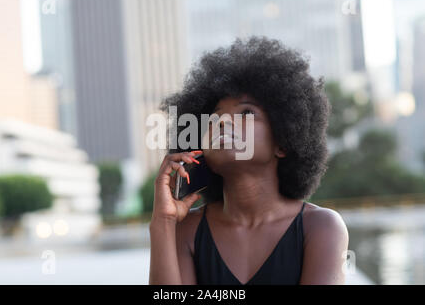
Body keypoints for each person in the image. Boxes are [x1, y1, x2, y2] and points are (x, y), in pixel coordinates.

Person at [149, 36, 349, 285]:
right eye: (216, 116)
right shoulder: (188, 230)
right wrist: (163, 222)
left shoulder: (320, 227)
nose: (222, 123)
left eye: (246, 113)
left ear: (283, 142)